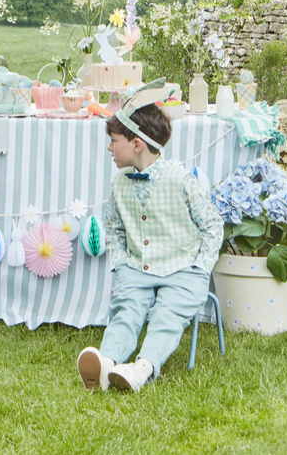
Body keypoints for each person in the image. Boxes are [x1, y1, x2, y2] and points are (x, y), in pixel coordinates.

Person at [77, 79, 223, 392]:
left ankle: (142, 369)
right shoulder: (119, 183)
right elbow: (114, 229)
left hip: (183, 268)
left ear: (137, 144)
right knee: (127, 308)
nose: (109, 148)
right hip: (137, 267)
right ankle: (106, 363)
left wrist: (201, 267)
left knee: (167, 314)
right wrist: (120, 264)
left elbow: (212, 227)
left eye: (114, 140)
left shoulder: (182, 180)